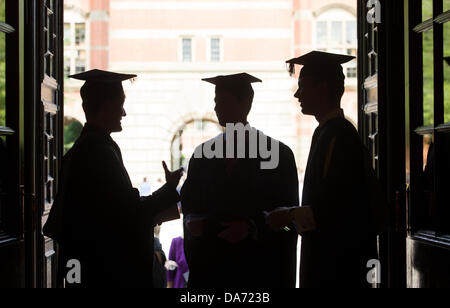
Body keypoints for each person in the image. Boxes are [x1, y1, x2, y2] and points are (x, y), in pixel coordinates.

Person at [43, 69, 184, 288]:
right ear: (106, 106)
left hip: (85, 264)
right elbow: (129, 213)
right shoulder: (98, 150)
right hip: (102, 269)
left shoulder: (86, 147)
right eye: (120, 103)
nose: (124, 112)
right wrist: (168, 189)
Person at [266, 51, 387, 287]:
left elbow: (340, 210)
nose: (297, 94)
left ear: (322, 88)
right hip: (327, 258)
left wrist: (290, 214)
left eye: (303, 86)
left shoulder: (340, 137)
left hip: (338, 265)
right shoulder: (327, 132)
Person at [181, 73, 299, 288]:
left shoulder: (278, 155)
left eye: (223, 102)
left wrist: (254, 229)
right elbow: (190, 208)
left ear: (246, 104)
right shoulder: (203, 155)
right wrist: (194, 224)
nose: (216, 108)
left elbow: (290, 223)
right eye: (216, 102)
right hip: (213, 271)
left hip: (256, 272)